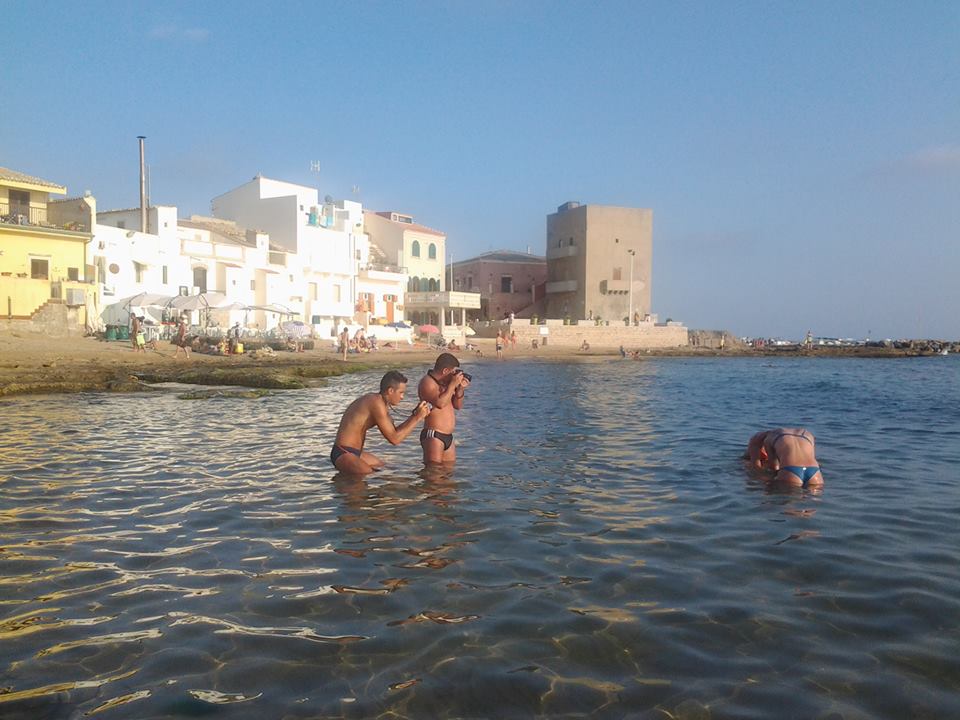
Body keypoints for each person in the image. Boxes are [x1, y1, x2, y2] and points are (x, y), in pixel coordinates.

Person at [330, 370, 431, 474]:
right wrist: (417, 417)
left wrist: (415, 414)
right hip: (343, 452)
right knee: (370, 475)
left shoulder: (381, 403)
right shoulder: (375, 402)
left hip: (355, 453)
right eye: (401, 392)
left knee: (385, 468)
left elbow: (395, 432)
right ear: (390, 391)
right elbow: (394, 439)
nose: (402, 397)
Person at [418, 352, 470, 464]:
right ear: (445, 371)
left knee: (449, 473)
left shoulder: (446, 384)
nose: (454, 375)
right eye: (452, 372)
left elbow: (458, 406)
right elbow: (440, 403)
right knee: (434, 473)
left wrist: (460, 388)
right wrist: (452, 385)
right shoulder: (427, 382)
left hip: (448, 437)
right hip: (434, 434)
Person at [745, 428, 822, 488]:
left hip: (791, 471)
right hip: (814, 472)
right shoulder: (807, 434)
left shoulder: (768, 439)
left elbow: (774, 467)